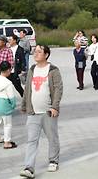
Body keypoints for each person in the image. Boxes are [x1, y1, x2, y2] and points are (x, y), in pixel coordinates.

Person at [19, 45, 63, 178]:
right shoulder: (32, 69)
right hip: (33, 112)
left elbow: (58, 89)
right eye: (35, 51)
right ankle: (29, 167)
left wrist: (55, 106)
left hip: (48, 112)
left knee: (52, 137)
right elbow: (27, 89)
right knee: (32, 140)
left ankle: (53, 160)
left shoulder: (53, 70)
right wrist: (24, 105)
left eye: (39, 52)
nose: (35, 54)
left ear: (46, 54)